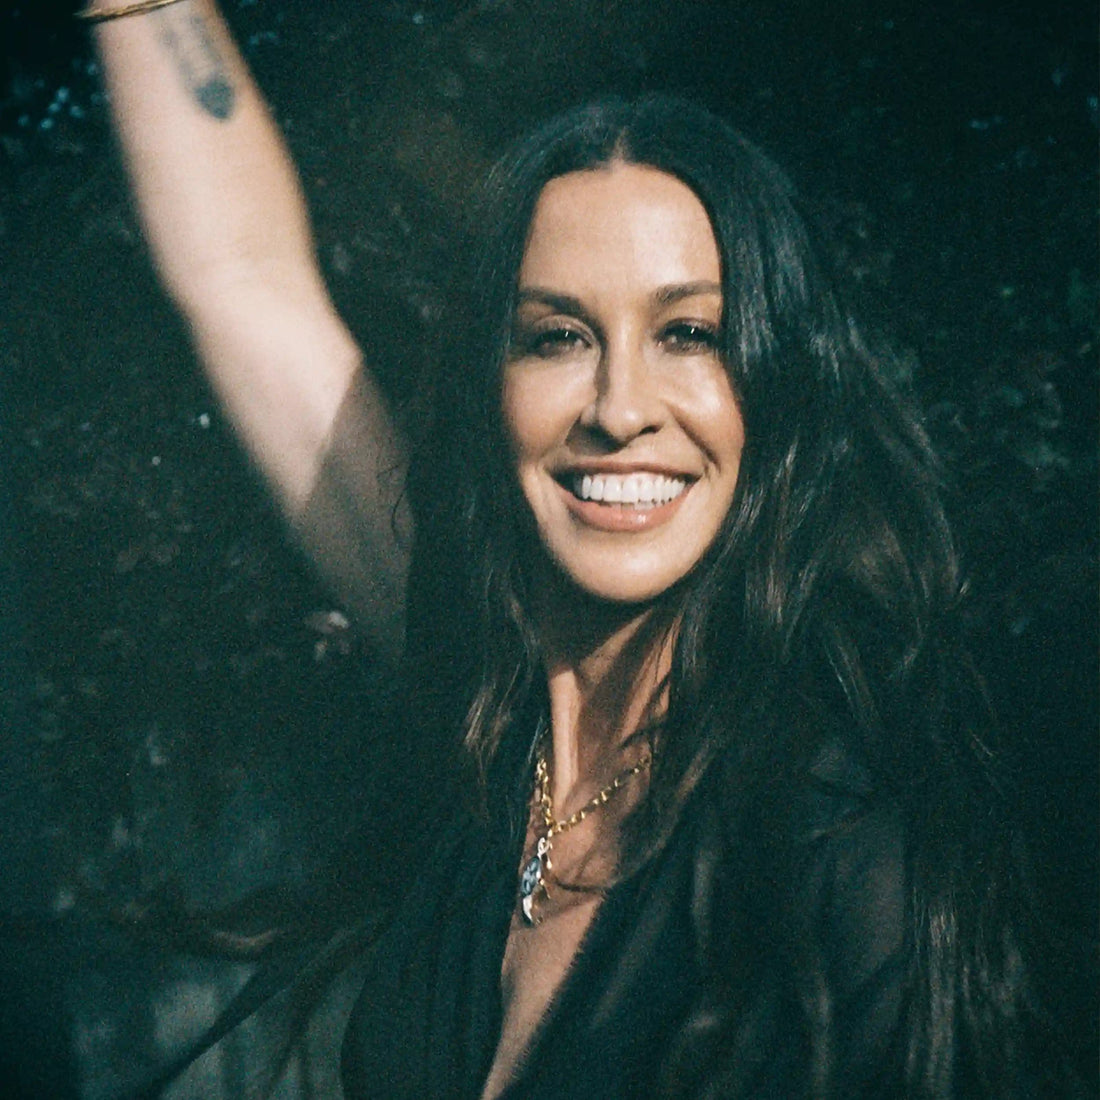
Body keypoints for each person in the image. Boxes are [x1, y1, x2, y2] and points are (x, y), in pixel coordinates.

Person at [86, 1, 1086, 1097]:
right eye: (556, 335)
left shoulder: (843, 847)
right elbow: (244, 277)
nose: (618, 406)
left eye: (688, 334)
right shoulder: (490, 724)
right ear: (490, 386)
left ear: (775, 387)